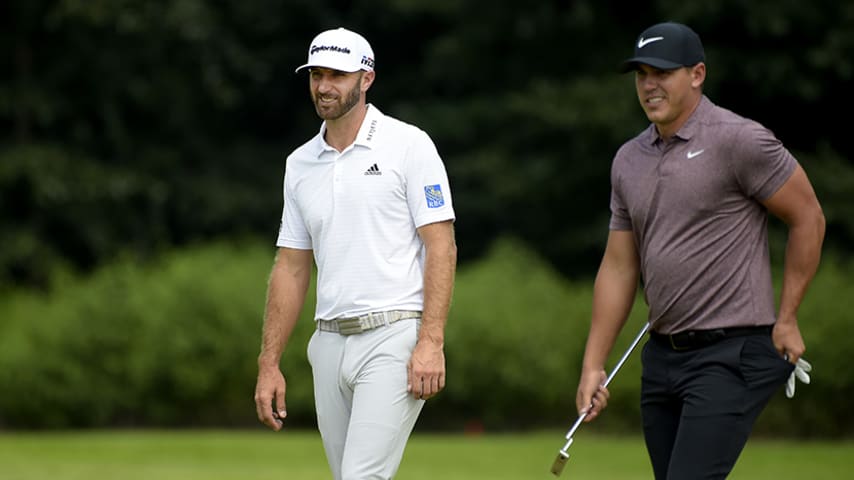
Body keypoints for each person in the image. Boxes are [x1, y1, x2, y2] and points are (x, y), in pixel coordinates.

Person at [574, 21, 825, 479]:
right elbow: (618, 267)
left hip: (730, 352)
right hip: (661, 358)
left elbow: (808, 217)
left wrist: (787, 317)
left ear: (697, 74)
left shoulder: (740, 140)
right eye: (641, 74)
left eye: (662, 72)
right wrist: (594, 365)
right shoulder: (628, 160)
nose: (649, 85)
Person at [253, 27, 457, 480]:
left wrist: (431, 340)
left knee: (361, 477)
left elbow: (440, 245)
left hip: (394, 337)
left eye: (337, 75)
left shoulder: (410, 145)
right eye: (316, 75)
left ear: (366, 79)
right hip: (326, 344)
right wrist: (269, 364)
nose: (324, 86)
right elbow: (290, 267)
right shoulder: (299, 163)